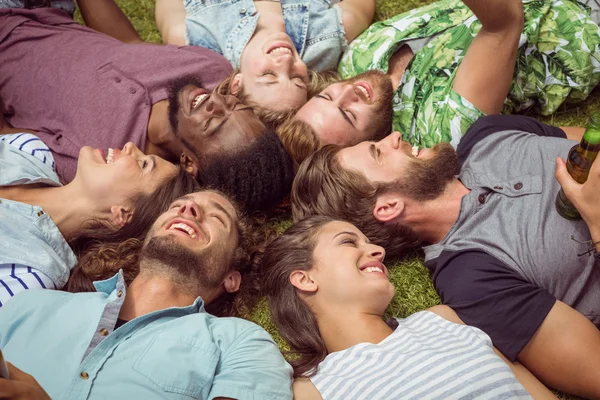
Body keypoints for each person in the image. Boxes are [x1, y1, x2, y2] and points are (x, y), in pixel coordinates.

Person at [290, 114, 600, 399]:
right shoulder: (472, 279)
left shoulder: (487, 134)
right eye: (378, 152)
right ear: (388, 207)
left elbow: (590, 139)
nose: (395, 136)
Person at [0, 190, 293, 399]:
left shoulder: (240, 343)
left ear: (231, 277)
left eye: (217, 218)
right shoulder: (30, 305)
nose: (188, 210)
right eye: (180, 204)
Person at [262, 216, 556, 399]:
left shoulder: (443, 320)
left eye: (370, 242)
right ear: (305, 278)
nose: (378, 251)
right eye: (349, 242)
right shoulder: (312, 391)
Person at [281, 0, 600, 164]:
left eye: (326, 97)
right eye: (348, 114)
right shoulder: (443, 131)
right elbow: (504, 20)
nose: (348, 92)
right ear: (367, 147)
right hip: (583, 21)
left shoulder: (359, 56)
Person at [0, 2, 268, 183]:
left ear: (189, 163)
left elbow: (6, 134)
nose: (216, 101)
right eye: (235, 106)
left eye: (215, 123)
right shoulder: (210, 70)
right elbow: (129, 45)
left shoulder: (100, 159)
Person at [0, 127, 200, 305]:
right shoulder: (30, 150)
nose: (131, 146)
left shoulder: (30, 277)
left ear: (122, 214)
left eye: (143, 164)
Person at [155, 0, 374, 114]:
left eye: (269, 74)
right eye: (297, 78)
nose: (286, 61)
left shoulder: (193, 40)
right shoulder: (327, 38)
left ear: (237, 83)